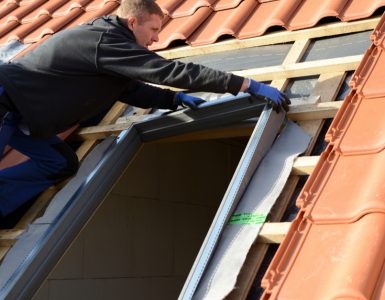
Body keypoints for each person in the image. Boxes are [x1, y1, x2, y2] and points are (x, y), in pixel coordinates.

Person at [0, 0, 290, 217]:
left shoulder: (111, 49)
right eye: (153, 29)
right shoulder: (106, 41)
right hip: (6, 101)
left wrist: (172, 100)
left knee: (60, 163)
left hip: (23, 114)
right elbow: (168, 71)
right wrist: (247, 85)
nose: (156, 38)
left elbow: (128, 89)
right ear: (132, 23)